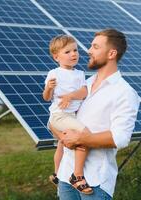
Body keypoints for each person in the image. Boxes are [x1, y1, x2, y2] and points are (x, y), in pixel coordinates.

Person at [50, 28, 140, 200]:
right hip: (65, 175)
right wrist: (62, 135)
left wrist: (79, 139)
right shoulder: (83, 84)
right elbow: (58, 116)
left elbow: (120, 138)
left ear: (111, 53)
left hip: (95, 181)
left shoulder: (124, 92)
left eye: (95, 47)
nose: (88, 50)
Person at [43, 35, 92, 195]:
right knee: (84, 136)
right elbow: (46, 98)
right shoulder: (54, 73)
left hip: (71, 115)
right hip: (59, 116)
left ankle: (57, 174)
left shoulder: (79, 74)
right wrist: (49, 88)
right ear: (56, 57)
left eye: (75, 50)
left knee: (61, 145)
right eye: (67, 51)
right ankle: (77, 175)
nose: (73, 54)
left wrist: (70, 96)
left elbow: (84, 92)